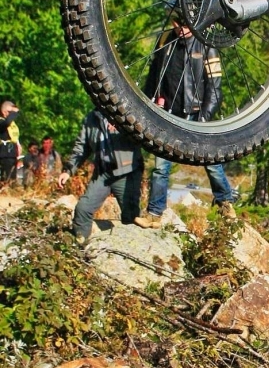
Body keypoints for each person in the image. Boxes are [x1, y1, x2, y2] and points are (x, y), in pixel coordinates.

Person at [135, 20, 238, 229]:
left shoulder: (206, 44)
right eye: (176, 21)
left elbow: (215, 87)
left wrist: (205, 117)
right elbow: (154, 74)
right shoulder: (166, 40)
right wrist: (150, 101)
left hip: (196, 113)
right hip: (168, 113)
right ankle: (154, 214)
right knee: (161, 166)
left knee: (210, 161)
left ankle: (225, 202)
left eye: (184, 22)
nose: (180, 26)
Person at [58, 109, 143, 244]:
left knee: (131, 217)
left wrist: (121, 126)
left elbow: (143, 133)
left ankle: (136, 251)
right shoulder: (91, 118)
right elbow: (81, 147)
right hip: (103, 173)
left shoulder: (127, 112)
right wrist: (67, 170)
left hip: (126, 171)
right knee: (83, 208)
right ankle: (80, 244)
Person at [0, 100, 20, 182]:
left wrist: (18, 144)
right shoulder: (1, 121)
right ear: (4, 112)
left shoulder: (12, 124)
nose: (11, 115)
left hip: (12, 153)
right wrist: (14, 112)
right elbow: (6, 122)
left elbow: (13, 136)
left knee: (12, 178)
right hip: (4, 154)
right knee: (6, 177)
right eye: (9, 112)